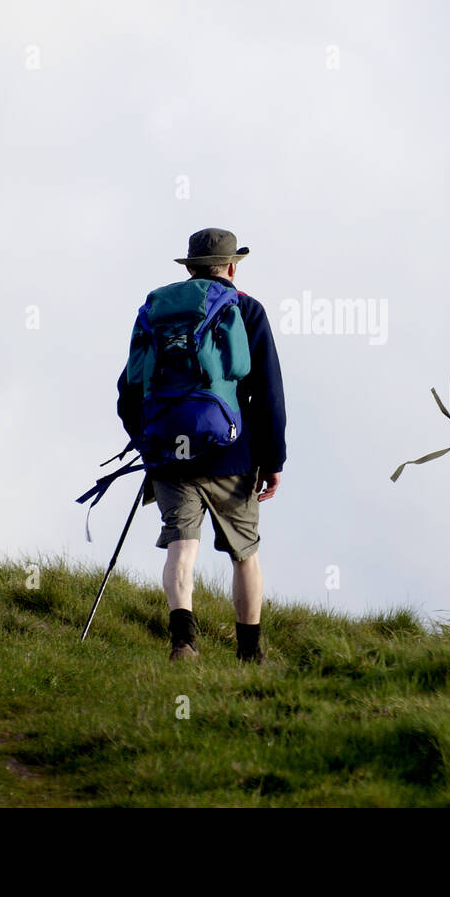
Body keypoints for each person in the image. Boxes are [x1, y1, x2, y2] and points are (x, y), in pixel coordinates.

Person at [117, 228, 287, 662]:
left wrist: (148, 443)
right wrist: (272, 460)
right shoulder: (246, 310)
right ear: (232, 267)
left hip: (168, 455)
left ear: (189, 268)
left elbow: (129, 390)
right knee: (244, 554)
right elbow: (267, 392)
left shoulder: (156, 311)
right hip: (232, 454)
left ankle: (184, 642)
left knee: (181, 546)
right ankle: (250, 653)